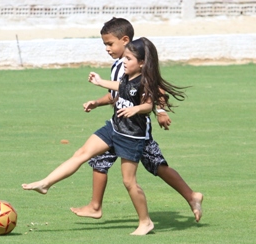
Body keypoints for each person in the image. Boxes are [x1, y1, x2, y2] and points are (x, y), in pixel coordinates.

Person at [22, 38, 180, 236]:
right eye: (125, 57)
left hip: (131, 137)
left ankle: (145, 222)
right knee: (81, 153)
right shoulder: (127, 77)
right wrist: (99, 83)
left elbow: (149, 104)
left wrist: (137, 109)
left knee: (129, 182)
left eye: (129, 58)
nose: (124, 61)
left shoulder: (144, 82)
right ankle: (45, 183)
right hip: (113, 129)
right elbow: (117, 88)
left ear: (141, 63)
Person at [70, 17, 204, 223]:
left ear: (125, 40)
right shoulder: (120, 66)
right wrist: (97, 103)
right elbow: (116, 95)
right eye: (104, 44)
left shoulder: (137, 65)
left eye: (109, 43)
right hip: (120, 127)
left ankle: (191, 196)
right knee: (99, 160)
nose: (106, 48)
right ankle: (95, 206)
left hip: (136, 131)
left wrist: (160, 111)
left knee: (156, 165)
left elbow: (155, 89)